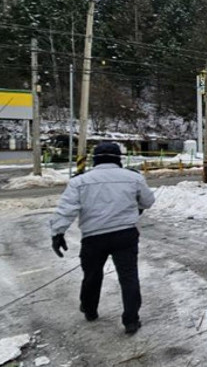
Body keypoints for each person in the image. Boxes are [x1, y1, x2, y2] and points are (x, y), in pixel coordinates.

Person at [49, 142, 156, 335]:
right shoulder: (133, 177)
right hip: (125, 235)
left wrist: (58, 233)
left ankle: (90, 309)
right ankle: (131, 320)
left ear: (95, 160)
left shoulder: (80, 181)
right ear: (118, 159)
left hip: (93, 237)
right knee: (129, 277)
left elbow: (66, 209)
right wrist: (136, 207)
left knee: (92, 274)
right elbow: (148, 201)